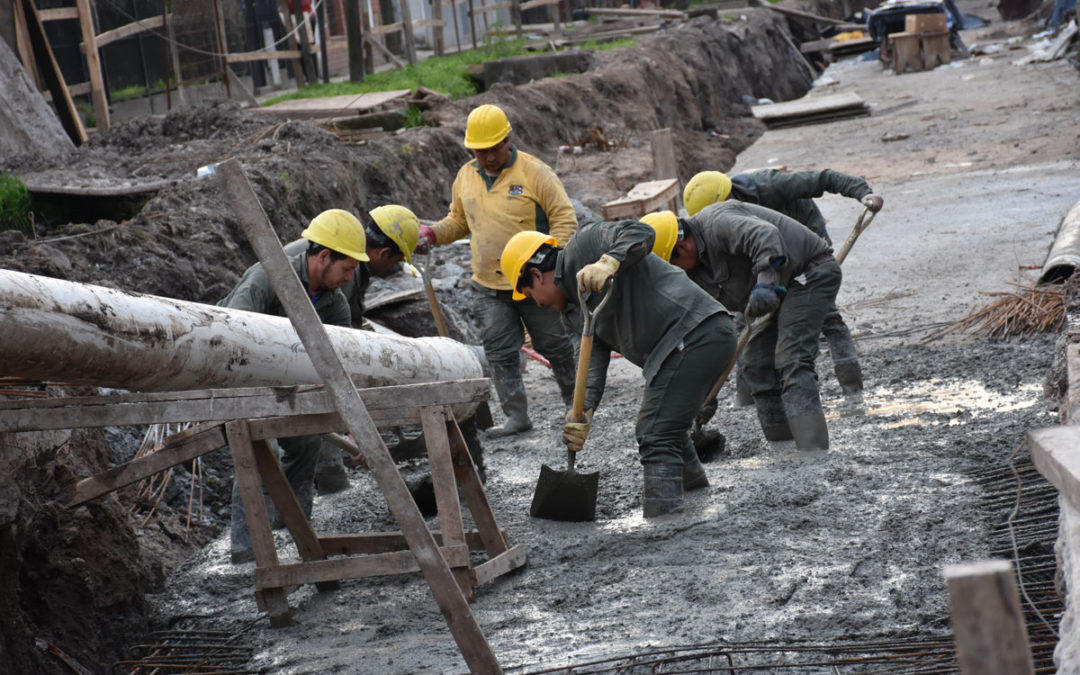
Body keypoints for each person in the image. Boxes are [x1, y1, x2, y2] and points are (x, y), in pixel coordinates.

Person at [500, 220, 737, 518]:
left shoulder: (584, 246)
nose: (537, 304)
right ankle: (695, 494)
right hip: (674, 352)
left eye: (530, 295)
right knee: (669, 427)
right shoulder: (574, 315)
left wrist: (609, 261)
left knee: (654, 431)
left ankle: (667, 525)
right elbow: (590, 368)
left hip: (696, 332)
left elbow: (642, 232)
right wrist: (581, 412)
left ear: (536, 275)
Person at [416, 103, 579, 438]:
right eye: (480, 151)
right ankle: (517, 417)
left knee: (557, 345)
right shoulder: (465, 176)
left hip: (535, 285)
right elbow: (458, 222)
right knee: (500, 352)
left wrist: (551, 265)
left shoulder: (535, 173)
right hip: (489, 286)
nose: (487, 157)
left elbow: (565, 218)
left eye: (493, 149)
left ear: (508, 140)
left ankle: (575, 405)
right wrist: (432, 233)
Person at [220, 208, 370, 564]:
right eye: (347, 269)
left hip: (288, 384)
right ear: (322, 257)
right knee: (258, 447)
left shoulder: (334, 305)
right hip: (238, 376)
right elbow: (232, 333)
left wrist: (354, 429)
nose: (350, 278)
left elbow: (336, 372)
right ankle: (245, 547)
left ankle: (292, 525)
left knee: (305, 443)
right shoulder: (265, 279)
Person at [641, 204, 839, 452]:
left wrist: (766, 283)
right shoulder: (692, 271)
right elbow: (703, 330)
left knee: (792, 358)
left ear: (681, 248)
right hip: (774, 295)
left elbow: (766, 235)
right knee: (755, 366)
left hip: (807, 273)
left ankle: (814, 454)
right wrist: (701, 392)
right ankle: (783, 450)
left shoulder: (717, 223)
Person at [683, 169, 883, 399]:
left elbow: (823, 179)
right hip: (760, 256)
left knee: (825, 314)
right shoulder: (711, 228)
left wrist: (863, 193)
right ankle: (747, 398)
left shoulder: (770, 185)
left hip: (806, 246)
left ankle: (852, 388)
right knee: (748, 321)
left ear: (732, 196)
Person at [281, 205, 420, 495]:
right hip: (284, 353)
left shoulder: (349, 263)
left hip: (293, 344)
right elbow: (331, 345)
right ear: (383, 255)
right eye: (396, 263)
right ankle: (329, 490)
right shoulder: (345, 272)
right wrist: (352, 424)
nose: (394, 270)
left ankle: (324, 489)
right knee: (314, 436)